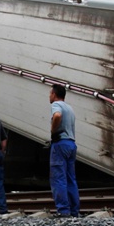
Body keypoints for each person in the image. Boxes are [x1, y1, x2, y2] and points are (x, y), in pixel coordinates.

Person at [48, 84, 80, 217]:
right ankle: (74, 211)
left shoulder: (56, 105)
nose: (49, 96)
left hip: (60, 143)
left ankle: (63, 210)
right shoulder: (70, 108)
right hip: (71, 144)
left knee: (58, 178)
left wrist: (53, 131)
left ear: (54, 94)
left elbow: (57, 116)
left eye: (50, 93)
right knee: (70, 178)